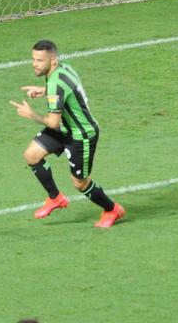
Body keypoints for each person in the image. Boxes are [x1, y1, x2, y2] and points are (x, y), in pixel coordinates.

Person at [9, 40, 125, 228]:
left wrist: (31, 115)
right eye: (33, 59)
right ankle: (55, 198)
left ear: (52, 60)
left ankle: (112, 209)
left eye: (39, 60)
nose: (34, 64)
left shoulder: (56, 82)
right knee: (32, 155)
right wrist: (44, 90)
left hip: (81, 135)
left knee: (79, 183)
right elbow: (68, 89)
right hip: (65, 128)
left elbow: (52, 121)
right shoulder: (64, 69)